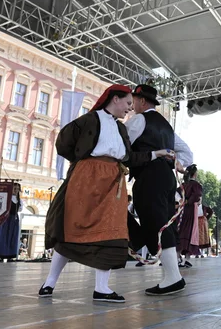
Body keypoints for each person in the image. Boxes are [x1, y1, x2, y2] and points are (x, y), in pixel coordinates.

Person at [41, 84, 174, 303]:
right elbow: (63, 142)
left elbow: (129, 158)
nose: (130, 108)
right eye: (128, 103)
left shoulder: (121, 129)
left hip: (113, 183)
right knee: (71, 230)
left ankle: (101, 288)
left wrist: (156, 154)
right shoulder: (89, 120)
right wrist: (83, 163)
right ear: (115, 99)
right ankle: (49, 283)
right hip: (86, 180)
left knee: (111, 233)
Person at [126, 84, 193, 296]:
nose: (132, 105)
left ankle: (172, 277)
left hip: (149, 176)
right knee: (163, 224)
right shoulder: (167, 127)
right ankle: (173, 276)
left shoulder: (138, 120)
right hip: (166, 178)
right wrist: (177, 162)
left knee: (154, 224)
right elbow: (187, 152)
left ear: (142, 102)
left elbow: (121, 147)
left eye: (134, 100)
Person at [177, 164, 202, 267]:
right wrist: (188, 201)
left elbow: (177, 195)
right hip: (191, 210)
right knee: (191, 233)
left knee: (181, 231)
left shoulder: (182, 185)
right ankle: (185, 259)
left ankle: (178, 258)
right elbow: (196, 196)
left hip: (181, 210)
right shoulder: (196, 185)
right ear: (195, 174)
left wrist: (182, 202)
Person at [0, 183, 22, 261]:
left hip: (14, 219)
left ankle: (10, 256)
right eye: (14, 188)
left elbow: (20, 209)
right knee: (3, 236)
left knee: (12, 237)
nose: (16, 190)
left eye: (17, 189)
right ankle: (1, 255)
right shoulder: (6, 197)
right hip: (6, 219)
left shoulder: (19, 200)